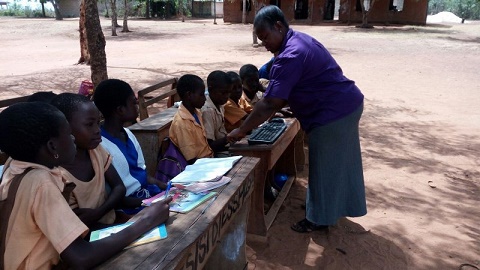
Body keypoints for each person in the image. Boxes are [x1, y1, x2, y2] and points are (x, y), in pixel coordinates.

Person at [227, 5, 367, 233]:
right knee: (338, 164)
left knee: (323, 166)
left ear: (279, 26)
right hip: (346, 104)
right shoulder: (299, 40)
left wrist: (241, 131)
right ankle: (327, 207)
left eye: (265, 37)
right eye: (260, 40)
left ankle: (318, 219)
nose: (264, 44)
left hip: (332, 114)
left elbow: (271, 103)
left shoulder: (290, 54)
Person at [0, 102, 171, 270]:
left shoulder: (15, 167)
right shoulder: (41, 182)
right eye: (68, 134)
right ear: (52, 146)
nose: (73, 138)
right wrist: (147, 221)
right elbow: (81, 257)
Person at [93, 79, 168, 215]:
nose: (137, 104)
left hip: (148, 195)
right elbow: (118, 197)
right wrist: (151, 202)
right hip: (129, 207)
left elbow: (142, 173)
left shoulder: (128, 134)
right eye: (133, 102)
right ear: (120, 110)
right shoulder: (100, 145)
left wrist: (166, 187)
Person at [51, 93, 126, 229]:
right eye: (89, 124)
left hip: (111, 226)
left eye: (98, 123)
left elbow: (119, 187)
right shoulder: (57, 175)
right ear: (65, 128)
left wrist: (98, 212)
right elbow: (76, 227)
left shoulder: (95, 151)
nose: (97, 130)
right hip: (87, 241)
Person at [169, 74, 213, 164]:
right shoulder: (181, 123)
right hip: (200, 166)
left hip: (209, 159)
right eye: (201, 95)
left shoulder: (197, 113)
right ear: (189, 95)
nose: (204, 98)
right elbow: (192, 160)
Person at [201, 70, 231, 156]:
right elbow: (210, 146)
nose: (227, 96)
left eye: (228, 92)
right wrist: (229, 138)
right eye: (223, 93)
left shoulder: (220, 105)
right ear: (210, 89)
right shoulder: (207, 111)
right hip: (215, 154)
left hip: (223, 147)